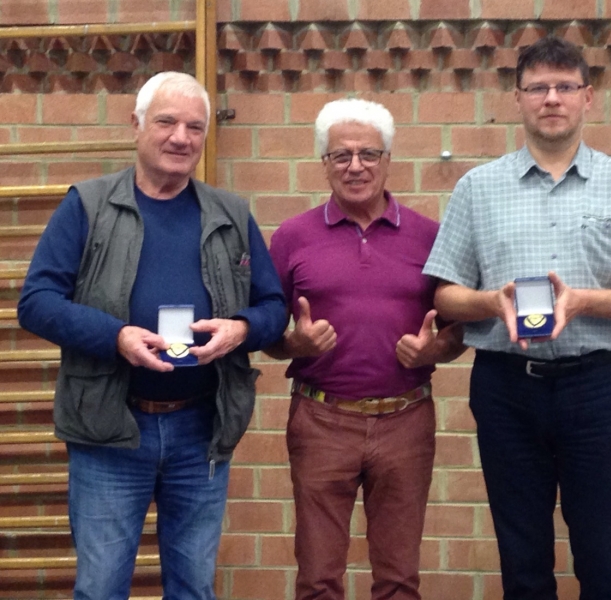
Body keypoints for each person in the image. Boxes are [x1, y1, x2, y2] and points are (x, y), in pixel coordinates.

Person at [423, 37, 611, 600]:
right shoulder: (478, 188)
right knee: (522, 563)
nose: (551, 99)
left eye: (565, 87)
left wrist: (584, 301)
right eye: (538, 87)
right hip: (504, 390)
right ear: (517, 98)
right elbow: (445, 296)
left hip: (592, 388)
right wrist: (494, 302)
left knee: (604, 558)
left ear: (588, 98)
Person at [17, 71, 287, 600]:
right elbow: (37, 303)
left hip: (200, 430)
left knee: (193, 589)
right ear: (136, 124)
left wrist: (241, 329)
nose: (180, 138)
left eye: (194, 127)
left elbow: (274, 308)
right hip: (110, 430)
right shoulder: (88, 206)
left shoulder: (231, 213)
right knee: (100, 589)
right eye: (166, 122)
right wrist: (115, 336)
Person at [266, 98, 464, 600]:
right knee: (318, 578)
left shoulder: (429, 237)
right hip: (321, 422)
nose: (356, 166)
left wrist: (431, 353)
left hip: (406, 423)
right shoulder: (292, 237)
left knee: (399, 579)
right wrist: (296, 343)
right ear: (324, 164)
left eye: (368, 153)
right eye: (341, 155)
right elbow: (266, 332)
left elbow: (459, 333)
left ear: (388, 159)